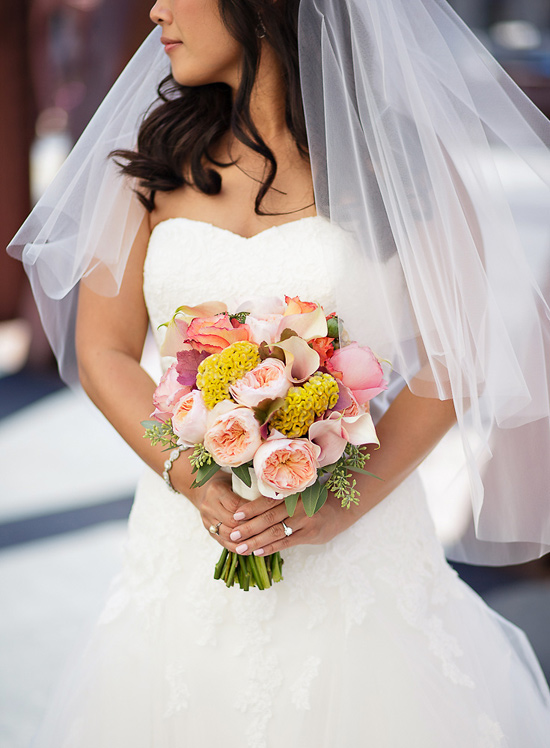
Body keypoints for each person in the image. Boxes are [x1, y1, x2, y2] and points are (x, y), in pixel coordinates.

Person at [8, 0, 550, 745]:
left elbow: (457, 359)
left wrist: (338, 509)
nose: (157, 11)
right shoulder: (153, 157)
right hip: (186, 546)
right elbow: (104, 351)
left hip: (358, 551)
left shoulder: (398, 159)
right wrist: (190, 472)